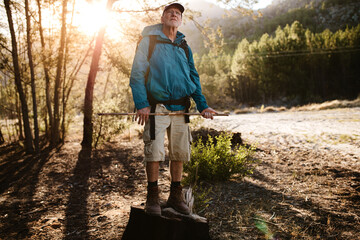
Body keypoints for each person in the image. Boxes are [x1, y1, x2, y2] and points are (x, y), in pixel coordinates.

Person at [129, 3, 217, 216]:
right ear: (163, 18)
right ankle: (152, 196)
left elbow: (193, 77)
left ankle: (175, 197)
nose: (174, 15)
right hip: (156, 107)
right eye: (170, 12)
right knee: (154, 151)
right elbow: (137, 74)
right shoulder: (148, 41)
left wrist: (202, 105)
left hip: (182, 108)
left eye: (178, 13)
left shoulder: (184, 46)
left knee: (179, 151)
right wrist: (141, 103)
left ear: (180, 20)